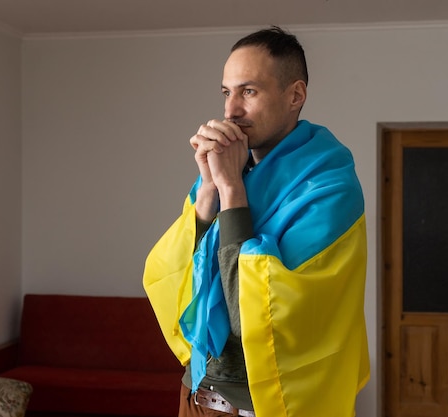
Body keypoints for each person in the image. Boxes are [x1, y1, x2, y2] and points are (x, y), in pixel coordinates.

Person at [143, 26, 369, 417]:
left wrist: (231, 190)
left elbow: (250, 317)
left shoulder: (330, 187)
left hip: (262, 406)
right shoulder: (226, 172)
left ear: (295, 95)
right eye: (226, 92)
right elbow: (173, 277)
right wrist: (208, 194)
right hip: (194, 392)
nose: (231, 110)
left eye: (249, 91)